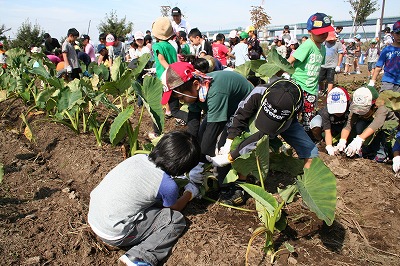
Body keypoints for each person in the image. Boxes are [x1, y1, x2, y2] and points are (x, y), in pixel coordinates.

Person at [88, 131, 201, 266]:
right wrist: (189, 193)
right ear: (184, 167)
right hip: (114, 233)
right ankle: (139, 258)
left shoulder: (138, 158)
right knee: (174, 220)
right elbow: (175, 207)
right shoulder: (167, 185)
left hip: (95, 217)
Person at [206, 77, 318, 204]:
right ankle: (240, 183)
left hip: (285, 121)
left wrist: (229, 157)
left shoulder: (293, 109)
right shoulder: (259, 92)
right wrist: (229, 141)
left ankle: (306, 190)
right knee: (248, 134)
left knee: (311, 152)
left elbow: (260, 137)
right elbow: (240, 115)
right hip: (261, 112)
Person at [161, 62, 254, 205]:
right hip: (225, 108)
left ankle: (236, 185)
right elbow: (193, 122)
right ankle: (205, 172)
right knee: (201, 140)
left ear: (196, 84)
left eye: (181, 98)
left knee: (227, 147)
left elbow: (215, 128)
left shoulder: (215, 91)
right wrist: (189, 151)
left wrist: (199, 161)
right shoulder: (196, 90)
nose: (181, 102)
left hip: (246, 110)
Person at [287, 12, 334, 132]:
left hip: (312, 88)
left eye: (325, 32)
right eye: (320, 32)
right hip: (299, 86)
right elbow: (290, 61)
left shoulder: (322, 48)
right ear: (310, 32)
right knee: (293, 114)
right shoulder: (307, 45)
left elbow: (318, 68)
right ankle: (292, 136)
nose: (323, 35)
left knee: (309, 116)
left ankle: (307, 137)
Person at [335, 86, 398, 162]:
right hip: (369, 123)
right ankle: (365, 150)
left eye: (364, 110)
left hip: (389, 127)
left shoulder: (382, 106)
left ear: (374, 106)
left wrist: (359, 140)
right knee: (359, 125)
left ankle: (381, 154)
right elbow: (348, 124)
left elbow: (377, 123)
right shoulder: (357, 107)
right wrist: (342, 141)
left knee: (380, 130)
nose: (360, 113)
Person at [149, 17, 182, 139]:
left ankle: (156, 132)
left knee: (156, 107)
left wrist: (169, 70)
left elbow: (162, 60)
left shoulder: (157, 46)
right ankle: (189, 118)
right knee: (174, 109)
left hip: (164, 79)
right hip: (173, 79)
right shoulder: (171, 46)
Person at [309, 87, 350, 154]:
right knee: (315, 123)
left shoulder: (351, 109)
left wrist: (343, 141)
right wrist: (329, 146)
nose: (338, 113)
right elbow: (327, 131)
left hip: (343, 129)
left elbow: (348, 126)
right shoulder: (325, 112)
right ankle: (321, 141)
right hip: (329, 128)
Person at [369, 20, 400, 93]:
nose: (399, 36)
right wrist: (372, 80)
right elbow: (379, 66)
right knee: (385, 102)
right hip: (388, 81)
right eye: (397, 33)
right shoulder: (387, 50)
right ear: (392, 34)